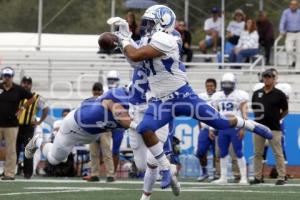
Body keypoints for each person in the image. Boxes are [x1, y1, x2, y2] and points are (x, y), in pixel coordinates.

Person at [109, 4, 272, 190]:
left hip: (183, 95)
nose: (145, 26)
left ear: (163, 23)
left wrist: (124, 39)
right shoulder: (151, 38)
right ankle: (165, 168)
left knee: (220, 123)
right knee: (145, 128)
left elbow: (136, 55)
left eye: (149, 22)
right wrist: (126, 39)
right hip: (161, 101)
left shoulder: (166, 38)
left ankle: (248, 123)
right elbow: (135, 63)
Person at [25, 87, 133, 175]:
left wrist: (112, 174)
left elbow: (115, 150)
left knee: (64, 155)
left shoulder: (125, 119)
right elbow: (96, 103)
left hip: (91, 135)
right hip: (72, 128)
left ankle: (62, 148)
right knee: (54, 159)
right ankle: (37, 141)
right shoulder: (110, 101)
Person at [251, 68, 289, 185]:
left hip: (274, 128)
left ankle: (281, 177)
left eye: (269, 77)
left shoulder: (279, 94)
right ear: (263, 78)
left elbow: (286, 110)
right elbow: (254, 108)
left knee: (278, 152)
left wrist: (277, 118)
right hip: (259, 127)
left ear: (274, 79)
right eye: (265, 77)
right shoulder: (257, 93)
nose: (267, 79)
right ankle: (257, 177)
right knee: (257, 153)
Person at [211, 73, 249, 184]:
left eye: (229, 83)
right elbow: (215, 113)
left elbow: (244, 113)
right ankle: (223, 177)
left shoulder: (240, 95)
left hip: (235, 126)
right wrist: (211, 128)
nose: (227, 85)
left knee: (238, 152)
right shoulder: (217, 96)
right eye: (225, 83)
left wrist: (243, 127)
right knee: (222, 152)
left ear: (234, 84)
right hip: (222, 127)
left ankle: (243, 177)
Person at [0, 67, 35, 180]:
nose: (7, 78)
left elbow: (32, 98)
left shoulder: (18, 89)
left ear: (12, 77)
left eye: (9, 76)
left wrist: (22, 108)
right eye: (5, 76)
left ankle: (9, 174)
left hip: (11, 125)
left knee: (11, 150)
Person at [16, 76, 49, 179]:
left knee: (28, 150)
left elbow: (46, 108)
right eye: (24, 82)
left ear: (31, 85)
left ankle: (28, 173)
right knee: (14, 150)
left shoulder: (37, 97)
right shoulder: (16, 95)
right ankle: (11, 171)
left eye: (28, 83)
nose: (26, 85)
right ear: (21, 83)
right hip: (15, 126)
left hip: (28, 127)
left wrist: (40, 121)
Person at [83, 82, 115, 182]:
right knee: (93, 153)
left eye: (99, 90)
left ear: (102, 91)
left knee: (107, 153)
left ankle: (110, 175)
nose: (97, 92)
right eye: (95, 90)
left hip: (104, 130)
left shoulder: (106, 101)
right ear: (92, 91)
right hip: (93, 129)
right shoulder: (87, 101)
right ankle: (94, 174)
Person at [196, 78, 217, 182]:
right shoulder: (201, 97)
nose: (209, 88)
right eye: (208, 86)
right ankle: (204, 171)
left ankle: (214, 172)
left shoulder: (219, 96)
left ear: (215, 87)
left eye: (211, 86)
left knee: (216, 152)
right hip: (204, 128)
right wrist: (200, 127)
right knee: (200, 151)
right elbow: (198, 114)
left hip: (217, 128)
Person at [105, 71, 124, 177]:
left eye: (114, 80)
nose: (112, 82)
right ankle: (99, 172)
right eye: (110, 79)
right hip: (106, 123)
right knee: (103, 150)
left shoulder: (121, 91)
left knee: (115, 150)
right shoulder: (103, 90)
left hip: (118, 124)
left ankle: (113, 173)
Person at [279, 0, 300, 68]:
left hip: (299, 33)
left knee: (299, 51)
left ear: (297, 5)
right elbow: (282, 22)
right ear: (290, 5)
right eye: (292, 4)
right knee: (289, 49)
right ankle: (294, 60)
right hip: (289, 33)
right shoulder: (286, 12)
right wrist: (282, 30)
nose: (293, 6)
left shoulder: (299, 12)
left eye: (295, 5)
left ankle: (298, 68)